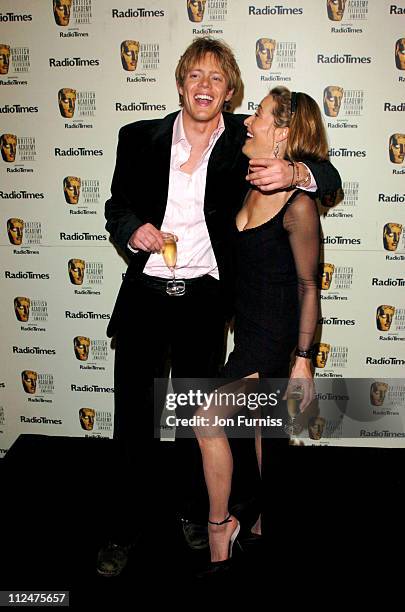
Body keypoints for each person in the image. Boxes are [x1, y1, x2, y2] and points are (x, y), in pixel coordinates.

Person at [101, 37, 341, 577]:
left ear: (229, 92)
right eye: (195, 75)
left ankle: (197, 513)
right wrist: (131, 228)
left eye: (216, 79)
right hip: (144, 297)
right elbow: (116, 205)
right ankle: (122, 530)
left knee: (194, 420)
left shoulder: (242, 141)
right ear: (181, 82)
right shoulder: (137, 137)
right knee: (133, 422)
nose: (204, 86)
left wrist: (299, 174)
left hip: (205, 304)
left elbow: (327, 175)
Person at [192, 86, 327, 573]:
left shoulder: (299, 205)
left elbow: (310, 285)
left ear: (284, 133)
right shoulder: (247, 181)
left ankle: (219, 525)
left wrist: (303, 360)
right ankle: (260, 523)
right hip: (246, 332)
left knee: (207, 419)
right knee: (261, 435)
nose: (247, 122)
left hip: (275, 340)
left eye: (260, 116)